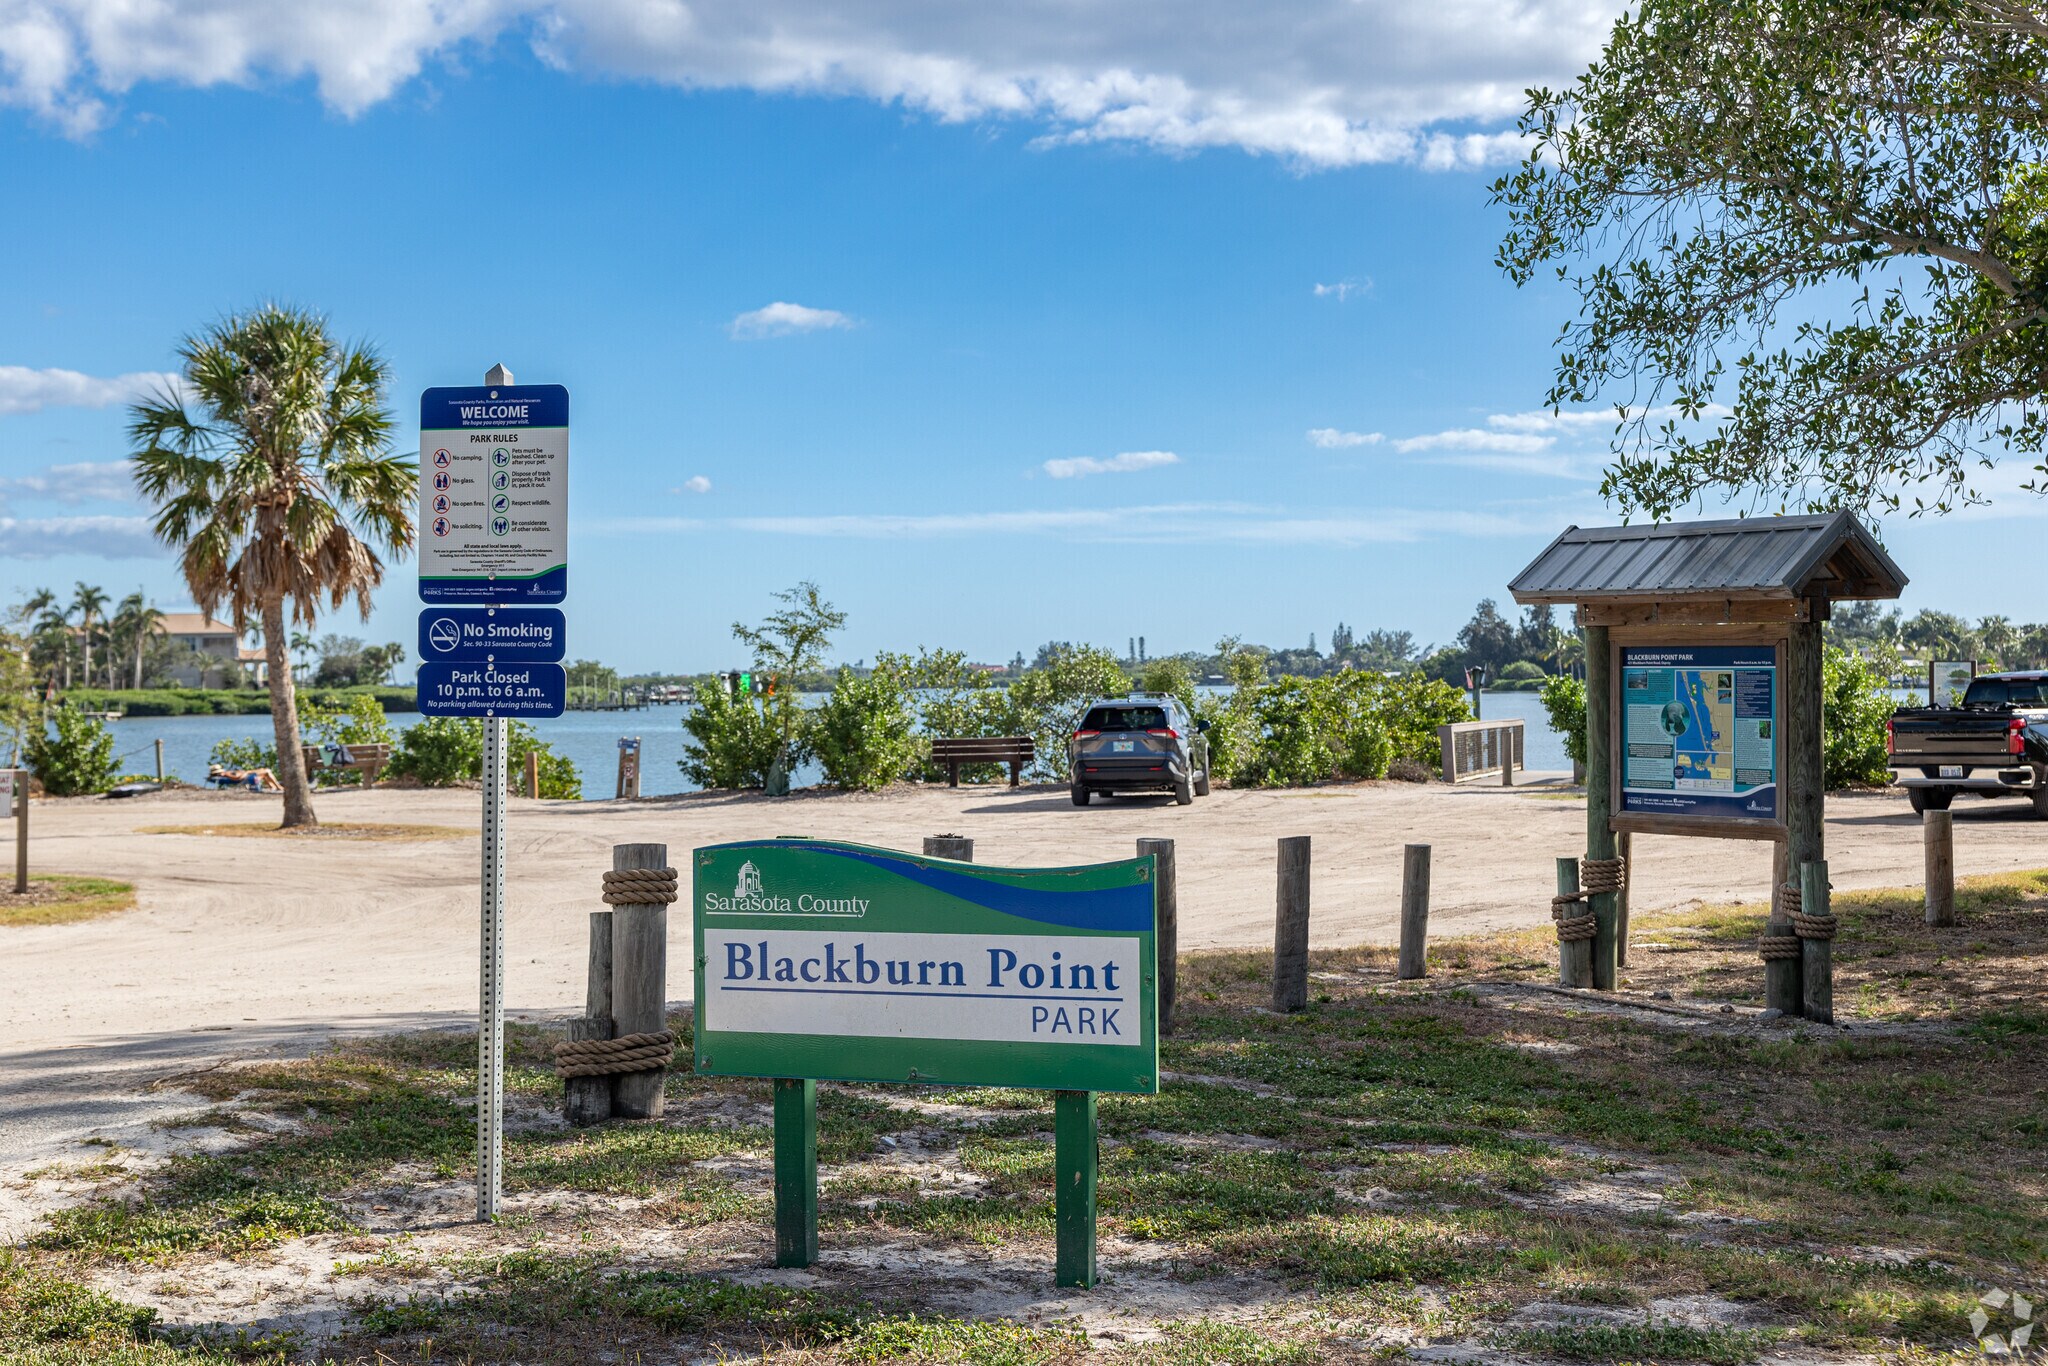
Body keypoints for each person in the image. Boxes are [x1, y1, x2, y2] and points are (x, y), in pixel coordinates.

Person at [208, 763, 284, 793]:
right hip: (246, 778)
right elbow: (237, 778)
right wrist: (245, 773)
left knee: (265, 772)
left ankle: (274, 787)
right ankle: (278, 787)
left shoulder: (223, 775)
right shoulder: (226, 774)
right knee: (266, 771)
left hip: (247, 776)